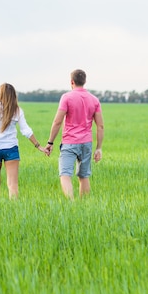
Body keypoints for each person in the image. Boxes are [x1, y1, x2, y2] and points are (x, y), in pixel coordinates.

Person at [44, 69, 104, 199]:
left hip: (69, 142)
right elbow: (100, 126)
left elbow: (57, 121)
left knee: (65, 174)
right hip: (86, 143)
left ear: (72, 82)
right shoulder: (94, 100)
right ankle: (84, 206)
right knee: (84, 176)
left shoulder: (67, 97)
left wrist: (50, 142)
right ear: (85, 82)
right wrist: (99, 148)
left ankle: (71, 204)